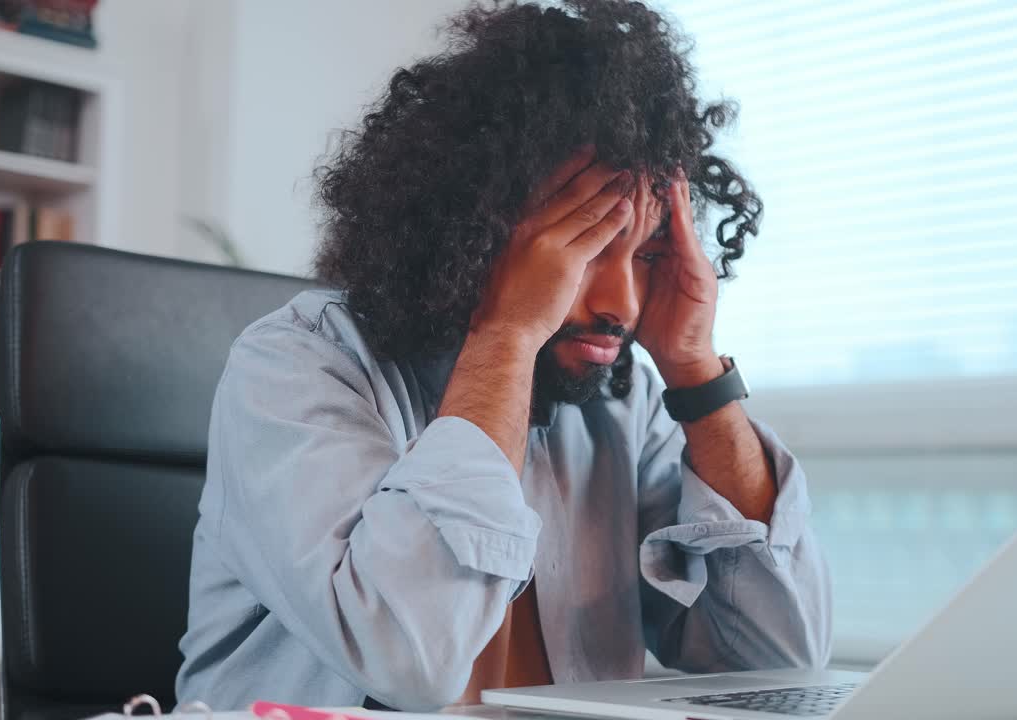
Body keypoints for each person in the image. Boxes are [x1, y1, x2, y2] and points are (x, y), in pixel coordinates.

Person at [175, 0, 830, 712]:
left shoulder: (623, 404)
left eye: (645, 255)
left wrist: (696, 372)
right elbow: (407, 659)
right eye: (586, 242)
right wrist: (507, 336)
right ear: (473, 222)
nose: (625, 303)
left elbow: (780, 661)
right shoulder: (296, 366)